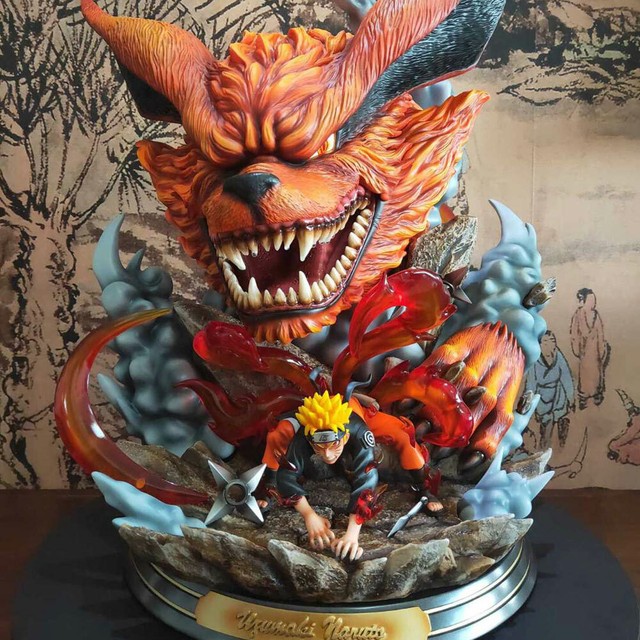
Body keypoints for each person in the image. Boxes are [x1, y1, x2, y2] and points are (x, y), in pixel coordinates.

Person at [526, 330, 574, 448]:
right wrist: (528, 402)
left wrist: (571, 398)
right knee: (546, 427)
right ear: (540, 345)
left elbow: (566, 378)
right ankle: (544, 449)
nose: (549, 345)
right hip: (542, 398)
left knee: (561, 418)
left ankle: (562, 444)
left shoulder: (558, 356)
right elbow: (531, 383)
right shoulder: (535, 360)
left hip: (558, 395)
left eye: (552, 341)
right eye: (545, 342)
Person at [569, 289, 608, 409]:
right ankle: (583, 397)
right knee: (584, 374)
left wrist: (602, 349)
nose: (593, 302)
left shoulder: (596, 315)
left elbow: (601, 334)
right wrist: (576, 349)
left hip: (595, 351)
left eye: (594, 299)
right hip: (584, 352)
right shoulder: (578, 315)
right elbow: (574, 334)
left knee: (597, 374)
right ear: (584, 301)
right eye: (590, 300)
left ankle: (597, 394)